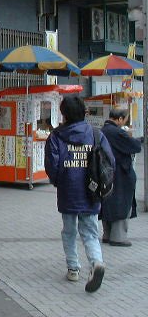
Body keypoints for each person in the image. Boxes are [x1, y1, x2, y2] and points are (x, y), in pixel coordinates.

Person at [44, 95, 114, 293]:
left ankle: (73, 268)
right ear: (84, 112)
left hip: (68, 191)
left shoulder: (56, 136)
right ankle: (96, 262)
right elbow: (110, 162)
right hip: (92, 191)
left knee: (69, 231)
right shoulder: (96, 134)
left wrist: (59, 181)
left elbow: (52, 165)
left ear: (64, 114)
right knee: (90, 232)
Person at [99, 107, 141, 247]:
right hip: (121, 174)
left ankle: (107, 234)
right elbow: (136, 146)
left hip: (105, 173)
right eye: (125, 120)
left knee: (107, 203)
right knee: (122, 203)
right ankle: (118, 237)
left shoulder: (102, 131)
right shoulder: (117, 132)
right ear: (120, 119)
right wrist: (129, 135)